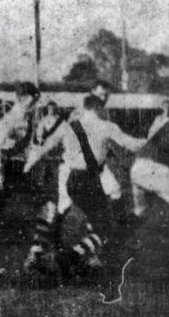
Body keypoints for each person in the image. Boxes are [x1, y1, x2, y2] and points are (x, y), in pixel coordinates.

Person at [23, 95, 146, 273]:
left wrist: (27, 167)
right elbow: (132, 145)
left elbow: (45, 147)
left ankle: (48, 254)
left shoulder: (67, 126)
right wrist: (151, 139)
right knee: (105, 227)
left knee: (85, 218)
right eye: (102, 108)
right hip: (90, 180)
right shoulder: (107, 126)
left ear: (85, 107)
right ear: (97, 108)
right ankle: (70, 256)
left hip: (71, 179)